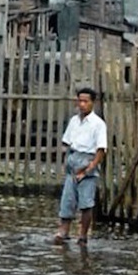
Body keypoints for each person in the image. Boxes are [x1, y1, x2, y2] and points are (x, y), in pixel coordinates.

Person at [54, 86, 107, 245]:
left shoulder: (98, 124)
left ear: (93, 103)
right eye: (80, 101)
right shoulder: (74, 121)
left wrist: (89, 168)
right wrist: (67, 161)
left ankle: (83, 235)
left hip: (87, 161)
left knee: (86, 203)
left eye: (85, 101)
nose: (82, 104)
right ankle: (64, 232)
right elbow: (67, 143)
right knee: (67, 200)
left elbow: (101, 150)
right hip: (73, 160)